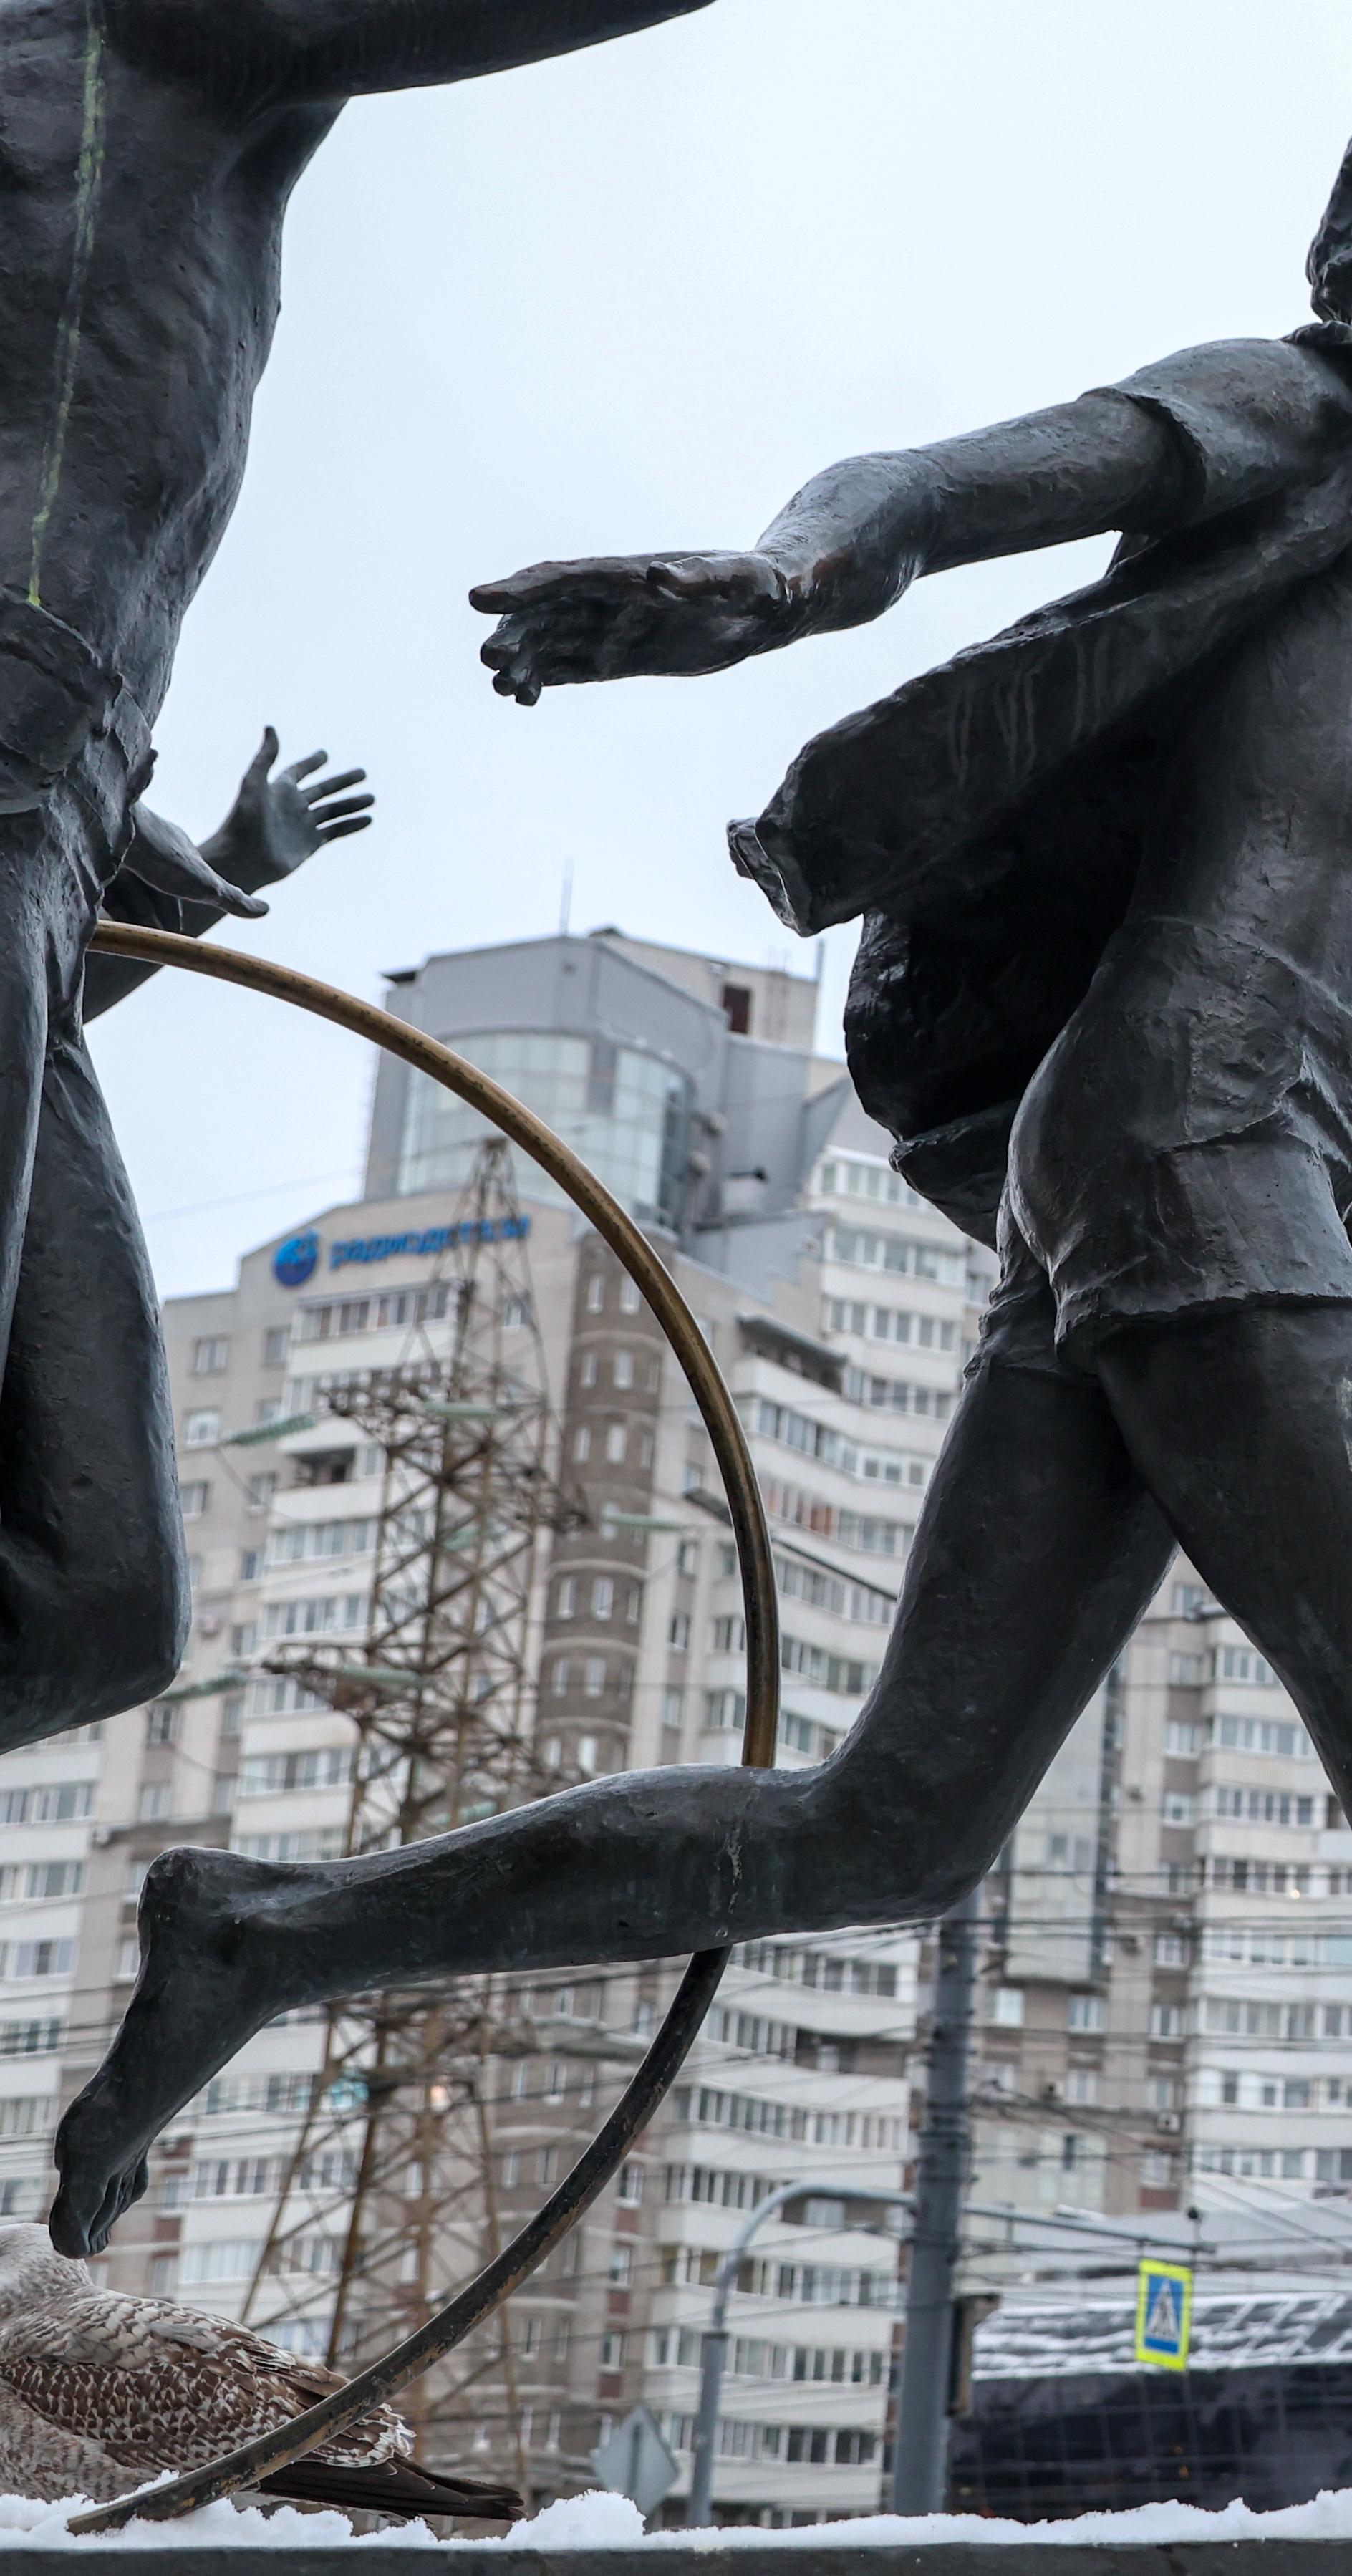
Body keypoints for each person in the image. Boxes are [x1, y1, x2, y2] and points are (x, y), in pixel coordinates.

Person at [61, 74, 1352, 2507]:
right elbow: (939, 483)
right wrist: (766, 585)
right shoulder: (1305, 420)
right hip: (1191, 1143)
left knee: (894, 1819)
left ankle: (263, 1930)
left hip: (1171, 1174)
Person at [0, 0, 709, 1747]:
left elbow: (52, 986)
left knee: (101, 1593)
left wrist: (181, 855)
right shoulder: (133, 22)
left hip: (48, 799)